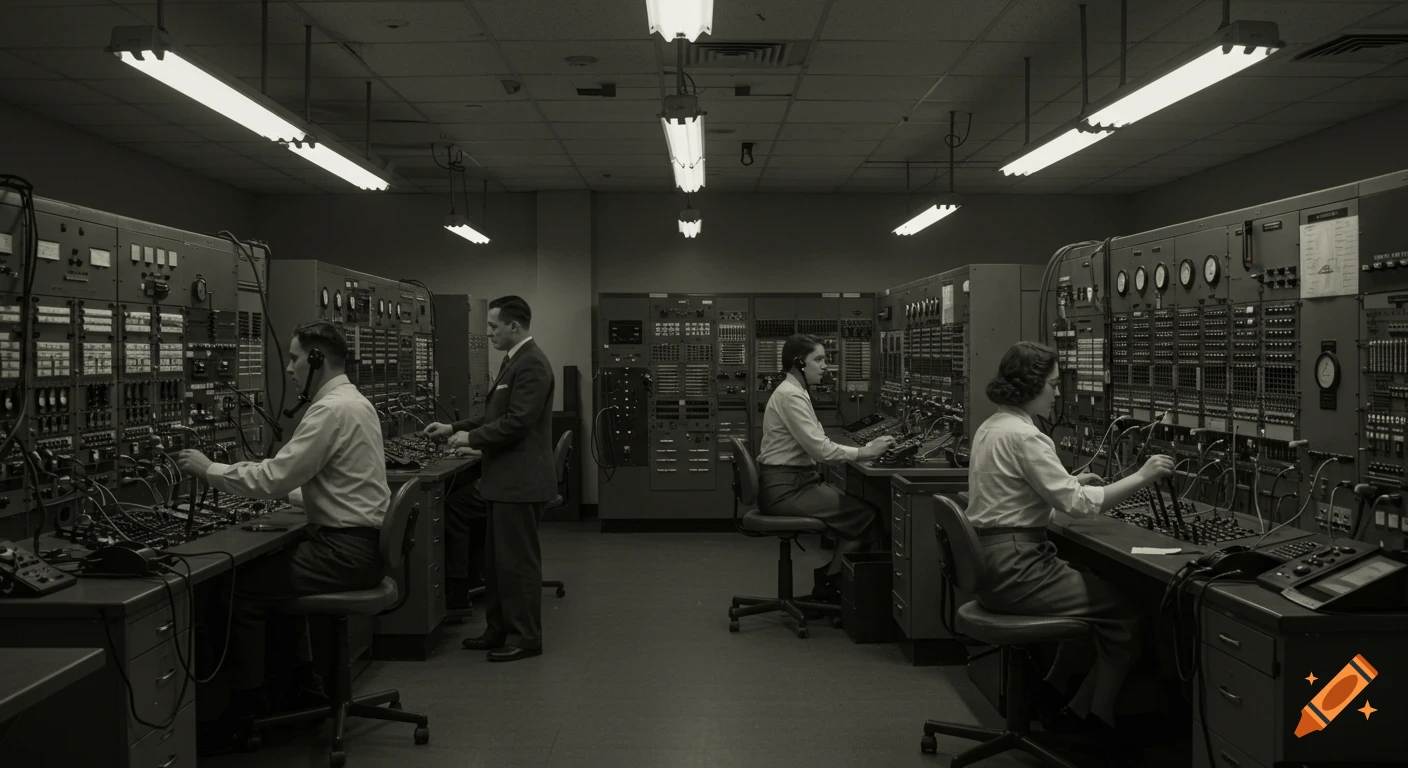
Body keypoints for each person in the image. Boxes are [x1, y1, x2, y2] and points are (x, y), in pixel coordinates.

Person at [175, 321, 390, 724]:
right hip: (360, 546)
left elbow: (273, 478)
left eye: (294, 359)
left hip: (344, 551)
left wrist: (210, 470)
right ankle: (296, 685)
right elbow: (333, 485)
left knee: (237, 587)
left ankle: (243, 710)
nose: (289, 369)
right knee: (269, 575)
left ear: (316, 359)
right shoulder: (355, 401)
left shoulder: (329, 409)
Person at [964, 340, 1174, 735]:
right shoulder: (1026, 437)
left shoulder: (991, 427)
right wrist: (1142, 476)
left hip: (994, 564)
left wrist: (1064, 482)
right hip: (1018, 568)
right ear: (1031, 385)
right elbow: (1078, 505)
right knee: (1125, 614)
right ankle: (1094, 721)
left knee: (1091, 606)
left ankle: (1055, 697)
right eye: (1054, 385)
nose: (1058, 393)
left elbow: (1016, 490)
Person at [423, 295, 556, 662]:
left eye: (494, 326)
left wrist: (472, 439)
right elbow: (493, 415)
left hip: (520, 482)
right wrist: (454, 426)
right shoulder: (513, 362)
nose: (490, 332)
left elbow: (518, 423)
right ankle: (498, 629)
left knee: (518, 564)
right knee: (497, 565)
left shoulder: (532, 365)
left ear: (515, 326)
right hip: (503, 482)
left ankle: (526, 638)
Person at [755, 334, 896, 603]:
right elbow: (820, 450)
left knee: (859, 511)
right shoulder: (791, 396)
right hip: (785, 490)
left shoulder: (795, 392)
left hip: (792, 483)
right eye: (818, 359)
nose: (825, 366)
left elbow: (818, 443)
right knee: (866, 517)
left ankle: (831, 580)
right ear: (800, 363)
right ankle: (829, 588)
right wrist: (865, 451)